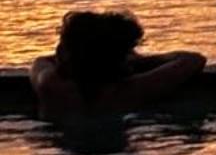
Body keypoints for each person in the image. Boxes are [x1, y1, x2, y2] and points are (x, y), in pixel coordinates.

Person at [30, 10, 206, 121]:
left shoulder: (51, 85)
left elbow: (42, 61)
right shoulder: (129, 91)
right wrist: (140, 61)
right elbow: (193, 60)